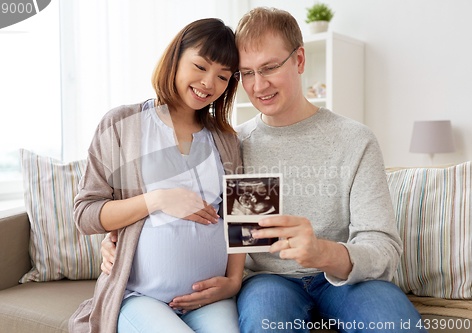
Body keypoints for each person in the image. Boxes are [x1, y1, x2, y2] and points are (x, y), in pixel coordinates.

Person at [101, 8, 428, 333]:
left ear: (299, 60)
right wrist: (122, 242)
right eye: (246, 73)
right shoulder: (235, 143)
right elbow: (212, 218)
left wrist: (322, 252)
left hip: (347, 282)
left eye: (270, 67)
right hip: (268, 281)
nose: (258, 85)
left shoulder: (354, 140)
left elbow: (383, 248)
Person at [69, 18, 245, 333]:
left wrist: (232, 282)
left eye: (223, 76)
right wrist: (159, 199)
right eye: (201, 66)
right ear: (176, 57)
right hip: (140, 296)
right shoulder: (122, 124)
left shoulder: (227, 139)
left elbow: (243, 218)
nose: (209, 83)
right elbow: (85, 214)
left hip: (209, 300)